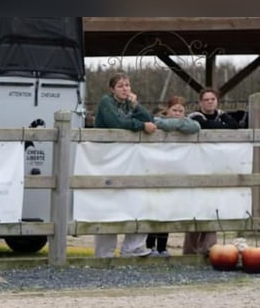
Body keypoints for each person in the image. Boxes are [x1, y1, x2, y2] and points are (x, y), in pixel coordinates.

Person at [92, 72, 156, 258]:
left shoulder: (130, 103)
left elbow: (149, 119)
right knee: (108, 204)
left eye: (127, 85)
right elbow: (116, 122)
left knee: (136, 199)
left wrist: (136, 105)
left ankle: (133, 247)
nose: (125, 89)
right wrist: (140, 126)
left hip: (129, 159)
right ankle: (104, 252)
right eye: (120, 86)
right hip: (108, 157)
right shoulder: (106, 102)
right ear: (112, 89)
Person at [182, 88, 239, 255]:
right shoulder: (194, 117)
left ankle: (209, 248)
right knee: (194, 208)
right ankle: (190, 250)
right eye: (206, 99)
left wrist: (220, 126)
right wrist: (221, 127)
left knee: (213, 207)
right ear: (200, 102)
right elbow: (204, 125)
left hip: (217, 168)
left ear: (217, 101)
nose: (210, 102)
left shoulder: (222, 115)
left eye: (212, 99)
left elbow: (234, 126)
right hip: (196, 167)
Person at [146, 96, 201, 256]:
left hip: (175, 170)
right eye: (174, 110)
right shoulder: (157, 122)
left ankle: (162, 247)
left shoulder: (187, 125)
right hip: (156, 169)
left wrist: (178, 123)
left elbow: (195, 127)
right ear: (167, 110)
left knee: (168, 210)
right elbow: (158, 123)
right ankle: (149, 245)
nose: (177, 113)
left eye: (181, 111)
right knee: (153, 211)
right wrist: (177, 123)